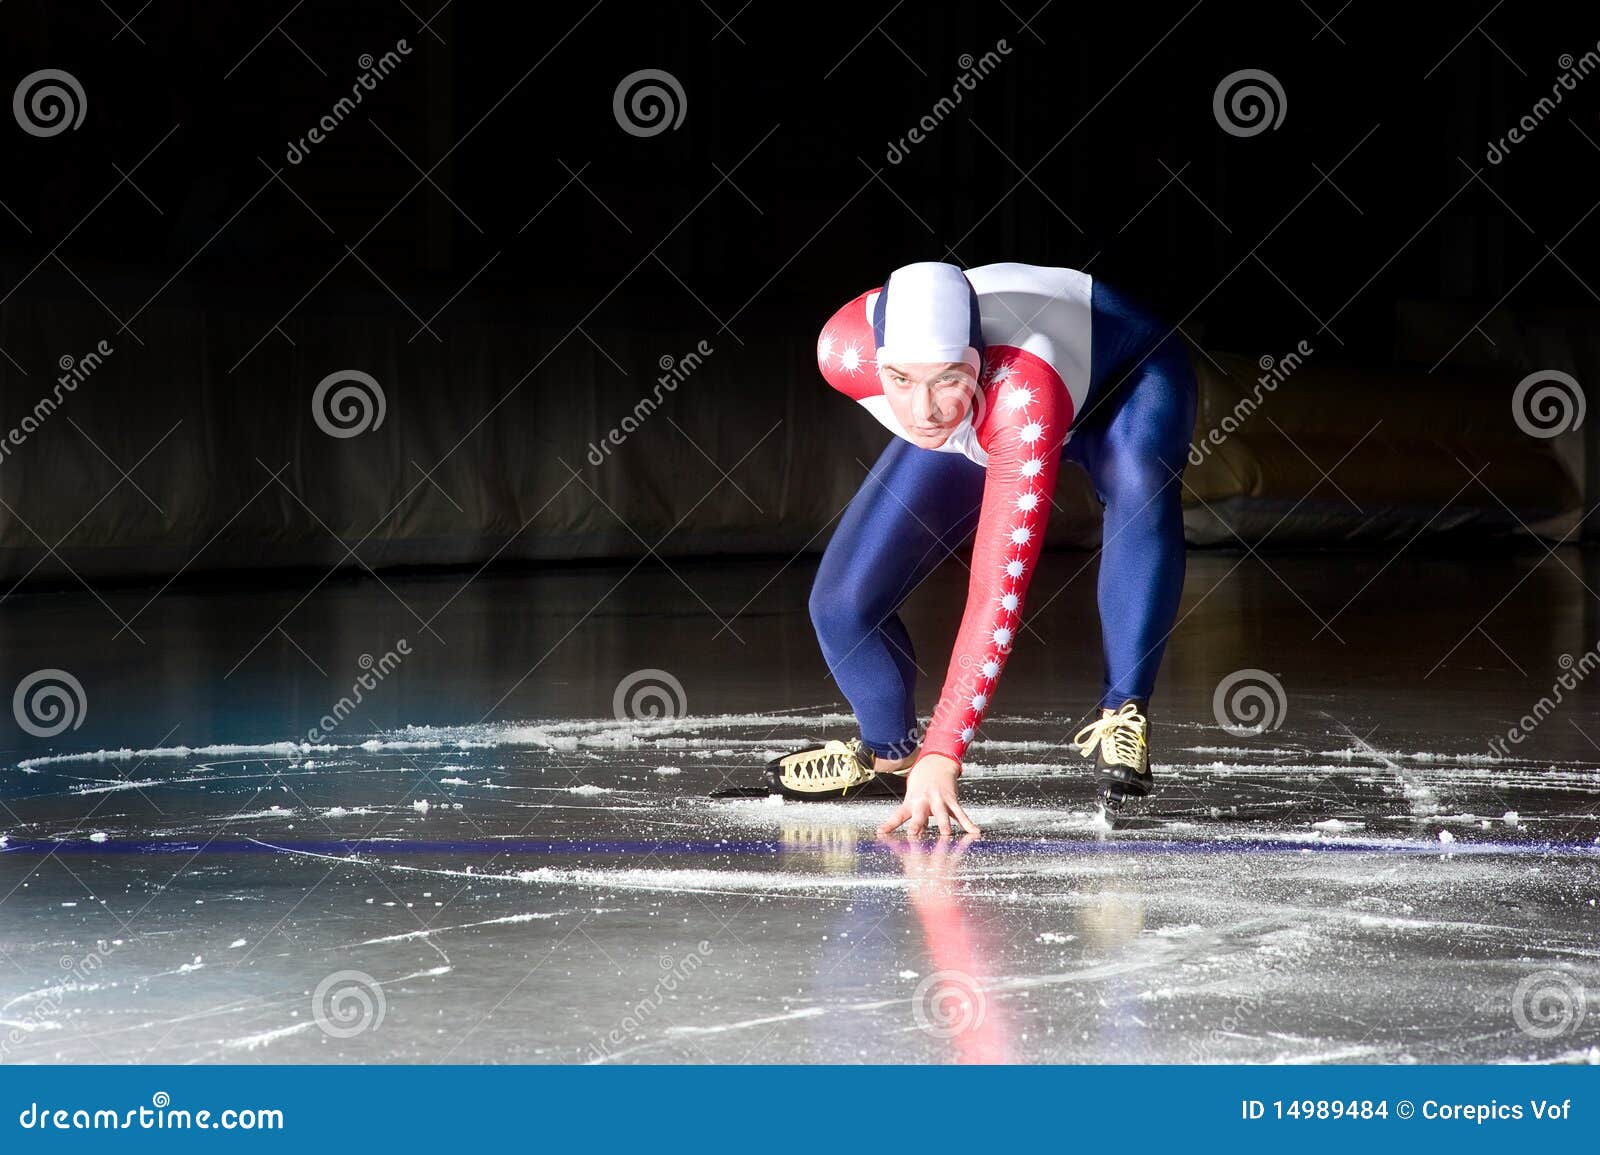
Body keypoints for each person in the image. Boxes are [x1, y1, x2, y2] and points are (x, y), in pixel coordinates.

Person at [764, 262, 1197, 837]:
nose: (921, 411)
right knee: (842, 606)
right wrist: (946, 389)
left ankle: (1125, 708)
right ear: (876, 361)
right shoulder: (843, 352)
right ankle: (890, 753)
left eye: (946, 377)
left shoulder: (1019, 393)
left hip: (1127, 375)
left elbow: (998, 588)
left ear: (977, 360)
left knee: (1139, 482)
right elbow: (927, 400)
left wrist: (946, 751)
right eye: (899, 379)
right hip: (995, 402)